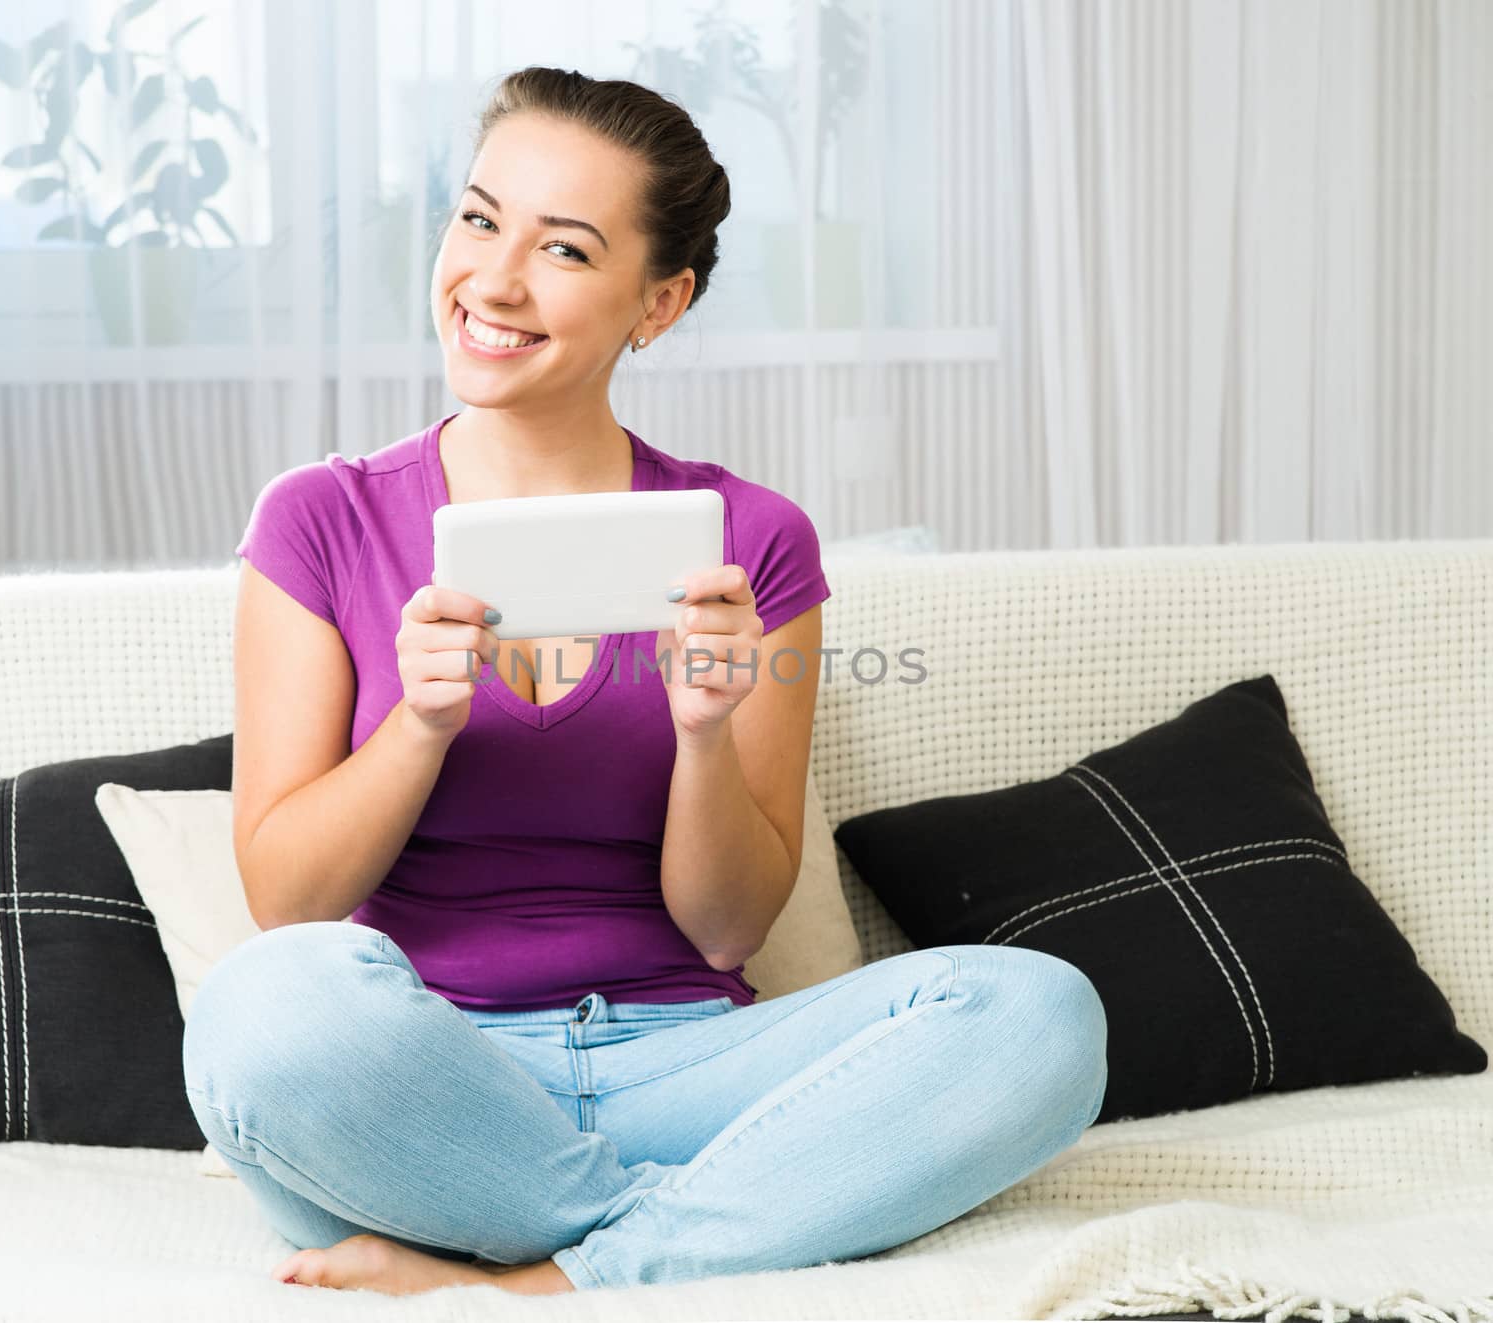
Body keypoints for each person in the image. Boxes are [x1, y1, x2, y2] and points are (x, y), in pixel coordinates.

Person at [181, 65, 1108, 1299]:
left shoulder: (750, 538)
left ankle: (541, 1278)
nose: (494, 281)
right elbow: (290, 907)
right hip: (422, 1090)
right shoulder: (323, 519)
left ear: (657, 302)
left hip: (686, 1069)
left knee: (1040, 1014)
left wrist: (706, 733)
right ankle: (699, 1230)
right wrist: (421, 725)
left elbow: (728, 929)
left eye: (563, 249)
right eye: (477, 219)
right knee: (263, 1008)